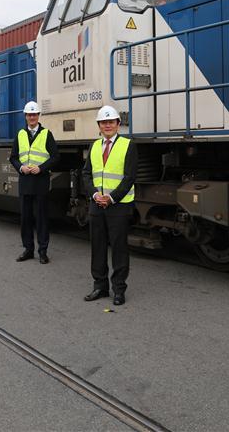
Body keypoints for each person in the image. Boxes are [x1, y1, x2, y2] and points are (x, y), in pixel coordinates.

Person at [81, 105, 137, 306]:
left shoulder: (128, 145)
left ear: (118, 124)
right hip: (97, 204)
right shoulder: (94, 146)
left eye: (111, 122)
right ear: (99, 125)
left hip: (118, 205)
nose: (107, 125)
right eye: (103, 122)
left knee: (119, 248)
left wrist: (111, 198)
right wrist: (95, 194)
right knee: (97, 247)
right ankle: (100, 286)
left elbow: (130, 177)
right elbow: (87, 174)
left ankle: (119, 289)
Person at [9, 101, 59, 264]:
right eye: (29, 115)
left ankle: (43, 251)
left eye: (34, 114)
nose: (32, 117)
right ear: (25, 116)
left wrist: (41, 168)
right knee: (25, 218)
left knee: (42, 218)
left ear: (38, 116)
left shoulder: (46, 134)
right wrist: (21, 168)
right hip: (25, 181)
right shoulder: (20, 134)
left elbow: (55, 157)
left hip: (40, 182)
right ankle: (28, 249)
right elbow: (13, 157)